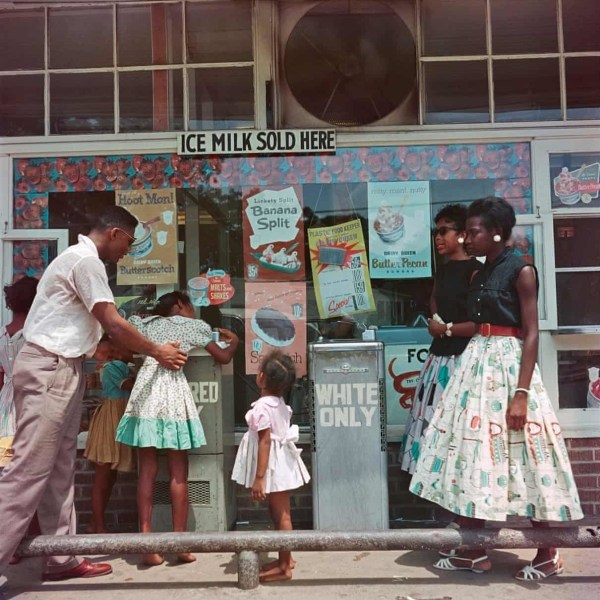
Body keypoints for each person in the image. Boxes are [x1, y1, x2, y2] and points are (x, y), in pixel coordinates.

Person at [0, 205, 187, 583]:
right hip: (50, 368)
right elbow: (113, 323)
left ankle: (60, 556)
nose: (128, 252)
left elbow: (94, 334)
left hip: (61, 367)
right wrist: (158, 351)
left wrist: (106, 349)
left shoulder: (76, 261)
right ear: (115, 233)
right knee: (29, 470)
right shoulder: (86, 262)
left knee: (58, 469)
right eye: (130, 244)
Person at [409, 196, 583, 581]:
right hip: (476, 363)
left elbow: (531, 332)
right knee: (472, 452)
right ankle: (474, 548)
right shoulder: (481, 272)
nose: (468, 239)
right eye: (467, 232)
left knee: (528, 453)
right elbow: (475, 322)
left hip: (508, 368)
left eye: (474, 232)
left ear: (497, 233)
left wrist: (521, 393)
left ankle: (547, 552)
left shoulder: (521, 270)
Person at [115, 291, 239, 567]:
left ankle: (147, 544)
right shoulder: (195, 327)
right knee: (178, 471)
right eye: (191, 305)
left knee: (146, 469)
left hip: (145, 392)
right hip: (171, 393)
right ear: (181, 305)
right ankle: (180, 544)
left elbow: (121, 333)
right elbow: (222, 357)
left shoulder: (145, 324)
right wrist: (235, 342)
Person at [401, 204, 481, 475]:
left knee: (460, 430)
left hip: (465, 360)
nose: (437, 237)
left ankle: (464, 511)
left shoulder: (476, 272)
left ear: (462, 235)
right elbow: (434, 297)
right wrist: (436, 318)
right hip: (438, 360)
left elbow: (482, 323)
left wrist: (445, 328)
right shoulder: (444, 270)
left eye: (444, 231)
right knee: (435, 426)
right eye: (436, 231)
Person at [231, 350, 310, 582]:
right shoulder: (279, 404)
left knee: (282, 515)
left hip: (273, 467)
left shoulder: (262, 408)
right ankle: (287, 557)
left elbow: (264, 441)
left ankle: (284, 567)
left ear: (261, 377)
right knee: (280, 514)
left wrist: (259, 477)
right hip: (281, 463)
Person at [0, 276, 40, 565]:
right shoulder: (36, 335)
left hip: (5, 409)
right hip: (30, 406)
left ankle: (11, 544)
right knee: (32, 477)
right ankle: (29, 540)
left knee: (8, 472)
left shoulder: (2, 335)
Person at [84, 342, 137, 534]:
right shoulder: (112, 367)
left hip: (119, 419)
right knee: (103, 476)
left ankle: (93, 522)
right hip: (110, 422)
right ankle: (98, 525)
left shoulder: (120, 367)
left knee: (110, 477)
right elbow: (130, 386)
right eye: (131, 347)